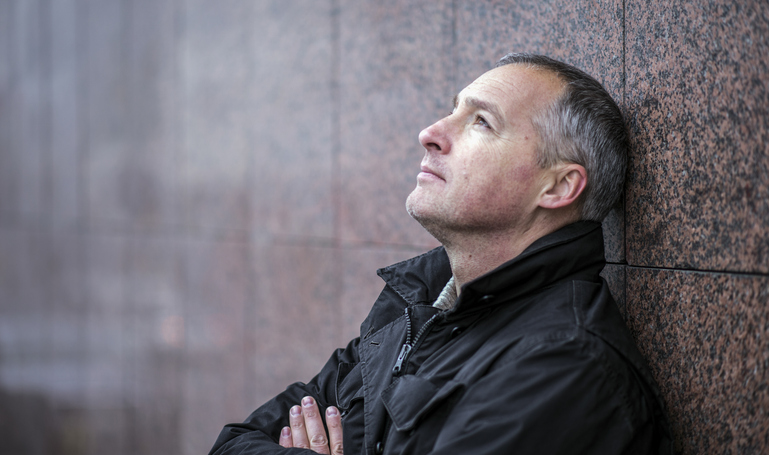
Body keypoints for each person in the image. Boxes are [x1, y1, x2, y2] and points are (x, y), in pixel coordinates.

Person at [209, 53, 673, 455]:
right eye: (453, 110)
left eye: (481, 122)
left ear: (557, 186)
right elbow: (235, 441)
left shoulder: (565, 367)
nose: (429, 133)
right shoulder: (418, 307)